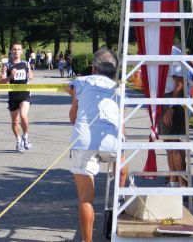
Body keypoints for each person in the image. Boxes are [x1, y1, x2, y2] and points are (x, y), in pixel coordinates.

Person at [67, 48, 128, 242]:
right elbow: (122, 124)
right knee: (122, 164)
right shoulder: (119, 88)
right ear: (115, 71)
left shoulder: (81, 82)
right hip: (110, 139)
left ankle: (87, 241)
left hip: (84, 141)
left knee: (86, 198)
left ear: (93, 68)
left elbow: (73, 117)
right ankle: (120, 197)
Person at [158, 45, 187, 187]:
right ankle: (173, 183)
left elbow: (179, 83)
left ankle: (183, 185)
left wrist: (172, 107)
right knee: (169, 144)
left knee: (174, 144)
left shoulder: (172, 51)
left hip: (172, 100)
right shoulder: (158, 49)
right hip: (164, 98)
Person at [0, 42, 34, 152]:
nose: (16, 51)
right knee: (14, 121)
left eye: (19, 49)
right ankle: (19, 140)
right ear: (11, 51)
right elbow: (1, 82)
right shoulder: (7, 65)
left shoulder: (25, 63)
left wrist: (29, 74)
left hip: (25, 93)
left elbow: (32, 77)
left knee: (23, 116)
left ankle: (25, 137)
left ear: (22, 51)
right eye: (14, 49)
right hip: (13, 95)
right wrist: (10, 76)